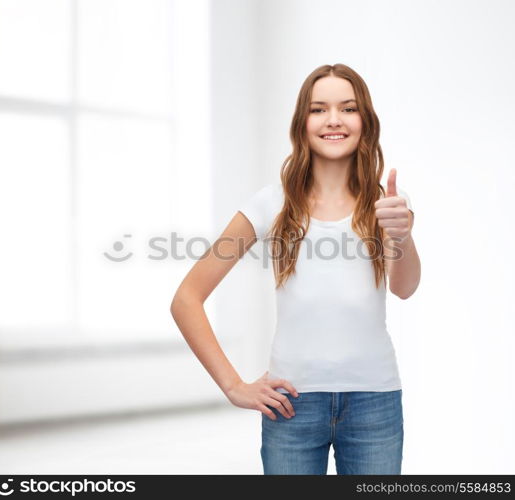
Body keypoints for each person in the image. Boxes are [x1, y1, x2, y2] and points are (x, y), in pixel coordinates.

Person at [170, 63, 421, 475]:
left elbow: (405, 288)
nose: (334, 120)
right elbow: (186, 298)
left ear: (366, 122)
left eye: (348, 108)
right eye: (319, 109)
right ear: (302, 123)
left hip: (374, 402)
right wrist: (233, 386)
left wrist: (402, 236)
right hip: (292, 405)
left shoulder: (388, 203)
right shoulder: (271, 204)